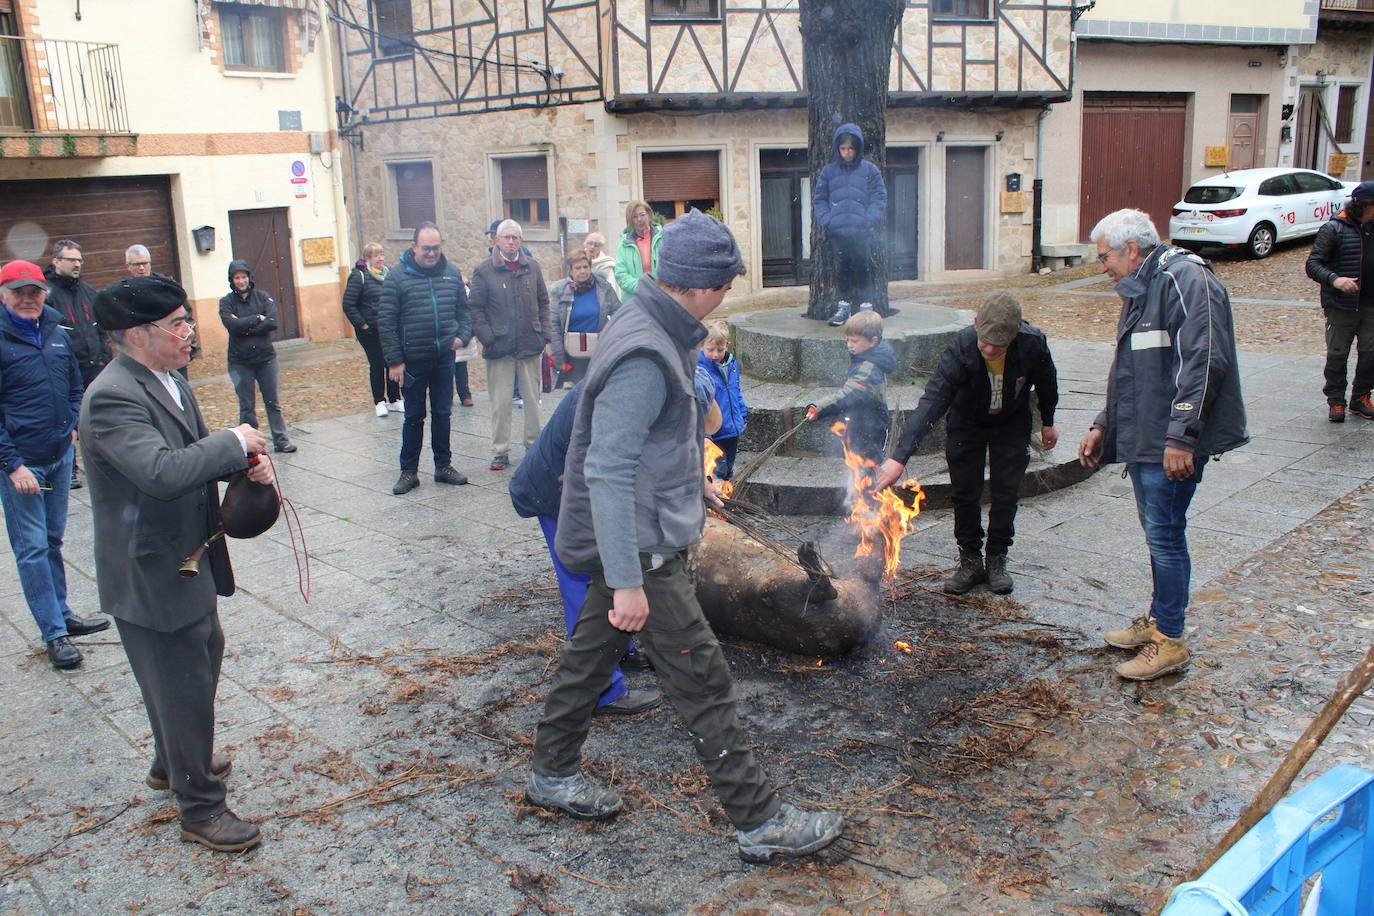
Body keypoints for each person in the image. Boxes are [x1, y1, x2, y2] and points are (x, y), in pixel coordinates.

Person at [527, 209, 843, 863]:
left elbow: (653, 443)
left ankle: (550, 772)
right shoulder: (647, 349)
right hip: (641, 548)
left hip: (642, 531)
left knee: (589, 657)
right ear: (700, 284)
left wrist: (694, 485)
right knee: (702, 679)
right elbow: (608, 469)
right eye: (725, 282)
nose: (728, 292)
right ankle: (759, 821)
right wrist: (625, 580)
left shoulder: (658, 327)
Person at [84, 273, 273, 853]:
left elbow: (186, 457)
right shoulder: (114, 395)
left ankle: (173, 761)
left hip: (183, 563)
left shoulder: (167, 379)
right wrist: (232, 441)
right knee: (182, 682)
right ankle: (201, 809)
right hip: (151, 571)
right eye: (178, 324)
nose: (190, 331)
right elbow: (160, 472)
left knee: (199, 659)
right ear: (138, 334)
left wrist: (242, 466)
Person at [1079, 209, 1248, 682]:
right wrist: (1103, 424)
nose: (1101, 267)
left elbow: (1205, 359)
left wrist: (1182, 436)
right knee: (1159, 535)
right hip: (1146, 438)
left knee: (1167, 537)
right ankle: (1157, 622)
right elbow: (1129, 369)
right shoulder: (1142, 286)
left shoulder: (1185, 278)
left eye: (1104, 256)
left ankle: (1169, 639)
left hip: (1169, 442)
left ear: (1131, 249)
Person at [874, 293, 1059, 596]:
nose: (989, 348)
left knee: (1006, 492)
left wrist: (1048, 420)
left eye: (998, 344)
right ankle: (970, 560)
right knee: (965, 492)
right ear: (975, 325)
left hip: (1011, 422)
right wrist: (899, 457)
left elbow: (1048, 380)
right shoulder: (961, 346)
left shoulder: (1032, 343)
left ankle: (997, 557)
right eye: (984, 340)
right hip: (967, 423)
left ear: (1014, 335)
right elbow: (933, 401)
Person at [509, 381, 661, 716]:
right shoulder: (622, 393)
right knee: (584, 586)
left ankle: (619, 649)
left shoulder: (640, 376)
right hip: (556, 492)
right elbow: (610, 474)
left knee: (607, 578)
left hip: (580, 486)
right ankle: (602, 689)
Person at [0, 260, 110, 671]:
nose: (28, 299)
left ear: (44, 293)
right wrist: (12, 465)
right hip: (21, 466)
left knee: (52, 541)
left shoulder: (55, 330)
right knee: (31, 549)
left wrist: (72, 425)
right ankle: (53, 634)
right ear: (3, 295)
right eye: (18, 292)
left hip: (59, 455)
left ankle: (62, 613)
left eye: (34, 292)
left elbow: (75, 382)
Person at [378, 221, 472, 495]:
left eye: (436, 248)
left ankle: (444, 466)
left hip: (444, 357)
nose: (432, 253)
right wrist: (395, 361)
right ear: (414, 247)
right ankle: (409, 471)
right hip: (412, 360)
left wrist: (462, 336)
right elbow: (386, 322)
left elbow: (464, 312)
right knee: (414, 417)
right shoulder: (396, 277)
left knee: (443, 413)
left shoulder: (452, 273)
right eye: (426, 248)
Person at [468, 219, 553, 471]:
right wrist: (488, 337)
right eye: (506, 237)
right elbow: (475, 308)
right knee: (500, 402)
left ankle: (533, 446)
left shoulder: (533, 268)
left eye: (515, 237)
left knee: (532, 400)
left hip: (530, 343)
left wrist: (544, 334)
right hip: (499, 348)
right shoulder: (484, 270)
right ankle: (500, 451)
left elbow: (544, 302)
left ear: (521, 240)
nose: (511, 242)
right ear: (496, 240)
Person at [1304, 180, 1374, 422]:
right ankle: (1336, 402)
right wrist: (1335, 280)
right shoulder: (1334, 228)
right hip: (1341, 305)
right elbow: (1313, 265)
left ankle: (1361, 398)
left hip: (1371, 305)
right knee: (1337, 356)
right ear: (1367, 206)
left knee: (1370, 354)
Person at [45, 239, 110, 488]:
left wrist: (104, 355)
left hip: (94, 364)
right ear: (56, 261)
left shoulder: (88, 291)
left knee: (97, 418)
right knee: (65, 418)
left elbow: (101, 326)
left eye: (79, 260)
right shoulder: (47, 293)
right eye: (71, 260)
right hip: (64, 368)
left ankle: (101, 464)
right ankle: (69, 469)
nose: (77, 264)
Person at [218, 260, 296, 454]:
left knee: (272, 402)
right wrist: (256, 319)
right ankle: (250, 445)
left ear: (249, 278)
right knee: (246, 406)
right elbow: (231, 326)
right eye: (237, 277)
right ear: (232, 280)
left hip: (265, 359)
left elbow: (272, 322)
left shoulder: (263, 297)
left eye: (243, 276)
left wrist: (244, 324)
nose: (241, 281)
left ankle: (281, 440)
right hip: (240, 361)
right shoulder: (226, 302)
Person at [813, 123, 887, 326]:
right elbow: (819, 199)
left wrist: (868, 219)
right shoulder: (829, 172)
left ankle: (866, 310)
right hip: (838, 232)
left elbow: (879, 197)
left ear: (857, 148)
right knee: (843, 269)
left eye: (851, 148)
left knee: (863, 268)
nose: (847, 152)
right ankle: (843, 308)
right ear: (838, 149)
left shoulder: (869, 170)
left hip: (861, 231)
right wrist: (828, 221)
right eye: (843, 148)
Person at [804, 309, 896, 471]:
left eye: (855, 341)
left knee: (866, 467)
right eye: (847, 340)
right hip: (861, 420)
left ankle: (869, 493)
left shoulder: (868, 368)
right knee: (858, 466)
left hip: (869, 426)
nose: (849, 345)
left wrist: (819, 408)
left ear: (873, 341)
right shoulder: (868, 355)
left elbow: (849, 393)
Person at [342, 242, 402, 417]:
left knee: (392, 361)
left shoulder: (389, 274)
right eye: (376, 255)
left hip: (388, 327)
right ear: (367, 258)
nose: (380, 258)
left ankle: (395, 399)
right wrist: (363, 324)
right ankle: (379, 401)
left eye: (382, 254)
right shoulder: (359, 276)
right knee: (377, 364)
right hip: (369, 330)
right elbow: (348, 304)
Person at [125, 244, 198, 380]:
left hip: (173, 347)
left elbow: (186, 315)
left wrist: (190, 343)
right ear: (128, 266)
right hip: (146, 355)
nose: (141, 268)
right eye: (137, 264)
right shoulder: (125, 292)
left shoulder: (167, 286)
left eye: (145, 263)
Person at [549, 251, 619, 388]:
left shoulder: (604, 288)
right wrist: (558, 356)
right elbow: (554, 325)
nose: (583, 271)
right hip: (571, 354)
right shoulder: (560, 291)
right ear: (570, 271)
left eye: (585, 267)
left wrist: (611, 338)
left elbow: (619, 313)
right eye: (578, 268)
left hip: (598, 352)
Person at [697, 320, 748, 480]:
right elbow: (701, 404)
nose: (715, 354)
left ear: (727, 345)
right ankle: (717, 500)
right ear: (701, 346)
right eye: (710, 349)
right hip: (713, 431)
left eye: (720, 349)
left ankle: (726, 494)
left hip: (731, 428)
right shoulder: (700, 369)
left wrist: (743, 415)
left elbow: (736, 392)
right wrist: (704, 433)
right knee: (717, 469)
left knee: (728, 469)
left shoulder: (732, 365)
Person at [613, 200, 661, 299]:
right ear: (630, 220)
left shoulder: (663, 238)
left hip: (661, 296)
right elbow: (621, 274)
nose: (639, 219)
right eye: (635, 216)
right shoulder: (624, 244)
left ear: (649, 215)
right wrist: (642, 287)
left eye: (642, 215)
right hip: (634, 300)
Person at [583, 231, 620, 297]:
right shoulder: (579, 260)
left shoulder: (606, 263)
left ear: (600, 248)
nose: (592, 247)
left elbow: (611, 284)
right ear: (585, 244)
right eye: (590, 243)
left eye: (596, 245)